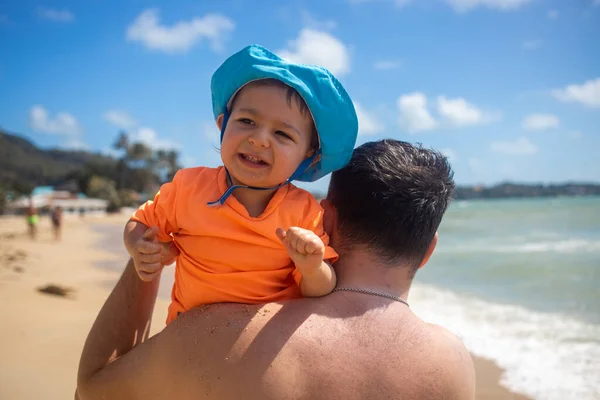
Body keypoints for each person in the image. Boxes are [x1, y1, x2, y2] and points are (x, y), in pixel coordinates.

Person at [76, 139, 476, 400]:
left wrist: (147, 255)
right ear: (428, 251)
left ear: (327, 222)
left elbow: (92, 389)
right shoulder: (453, 364)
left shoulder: (222, 332)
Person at [123, 44, 358, 325]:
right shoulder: (188, 187)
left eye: (282, 134)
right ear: (223, 124)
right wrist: (139, 247)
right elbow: (139, 222)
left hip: (260, 349)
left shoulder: (304, 213)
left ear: (308, 154)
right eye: (247, 120)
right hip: (186, 341)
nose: (259, 139)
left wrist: (312, 267)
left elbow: (321, 288)